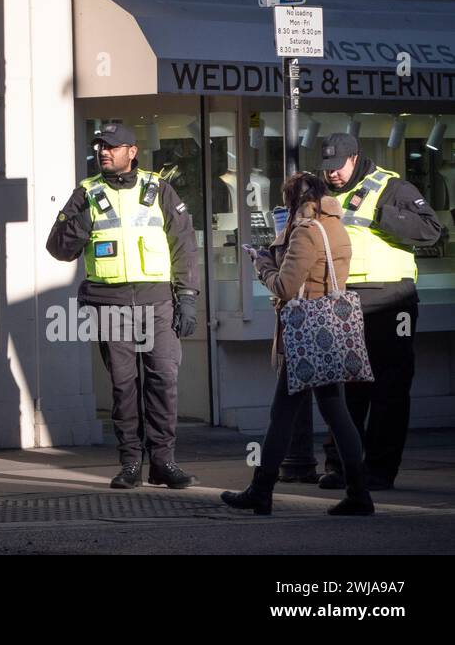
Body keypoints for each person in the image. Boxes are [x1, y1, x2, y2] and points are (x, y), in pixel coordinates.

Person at [46, 123, 201, 489]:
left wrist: (188, 297)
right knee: (124, 385)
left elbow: (183, 245)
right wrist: (77, 225)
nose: (103, 152)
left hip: (157, 299)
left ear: (132, 151)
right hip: (109, 302)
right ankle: (131, 463)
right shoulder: (86, 193)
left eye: (112, 147)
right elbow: (58, 249)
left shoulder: (158, 188)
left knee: (163, 379)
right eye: (100, 146)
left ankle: (163, 462)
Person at [223, 173, 373, 516]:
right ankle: (359, 493)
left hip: (307, 335)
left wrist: (261, 264)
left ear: (295, 202)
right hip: (331, 334)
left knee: (282, 416)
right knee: (337, 414)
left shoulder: (307, 231)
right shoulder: (335, 224)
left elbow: (286, 287)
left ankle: (261, 491)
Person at [308, 132, 442, 490]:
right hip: (343, 300)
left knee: (389, 387)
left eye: (338, 167)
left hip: (390, 299)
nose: (333, 174)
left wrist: (381, 214)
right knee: (347, 388)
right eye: (327, 168)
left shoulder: (392, 187)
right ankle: (343, 466)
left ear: (355, 158)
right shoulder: (321, 194)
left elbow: (431, 230)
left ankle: (380, 471)